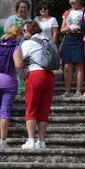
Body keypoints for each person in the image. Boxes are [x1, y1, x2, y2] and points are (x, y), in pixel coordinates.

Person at [0, 24, 24, 149]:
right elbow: (18, 65)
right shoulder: (16, 46)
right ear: (18, 35)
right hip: (8, 80)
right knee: (4, 111)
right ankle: (2, 141)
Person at [20, 21, 55, 149]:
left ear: (30, 31)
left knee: (31, 107)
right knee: (43, 109)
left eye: (24, 31)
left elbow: (19, 59)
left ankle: (30, 140)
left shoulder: (28, 43)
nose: (23, 33)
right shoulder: (46, 40)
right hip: (49, 76)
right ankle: (41, 141)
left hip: (35, 75)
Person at [60, 0, 85, 96]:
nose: (71, 1)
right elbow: (61, 30)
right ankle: (67, 91)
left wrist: (80, 27)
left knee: (79, 65)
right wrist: (69, 27)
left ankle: (78, 91)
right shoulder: (67, 13)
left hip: (80, 38)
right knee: (67, 66)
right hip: (68, 38)